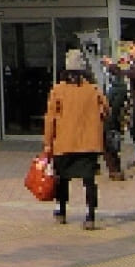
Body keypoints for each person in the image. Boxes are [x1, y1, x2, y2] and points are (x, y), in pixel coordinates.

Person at [42, 49, 110, 230]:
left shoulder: (58, 90)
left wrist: (48, 143)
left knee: (62, 178)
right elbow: (106, 110)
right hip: (89, 143)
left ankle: (62, 211)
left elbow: (50, 118)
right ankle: (90, 215)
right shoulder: (92, 89)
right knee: (89, 180)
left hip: (64, 143)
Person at [98, 55, 130, 181]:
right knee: (110, 144)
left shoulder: (117, 88)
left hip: (111, 119)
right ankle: (114, 169)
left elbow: (112, 105)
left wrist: (107, 113)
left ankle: (115, 170)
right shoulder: (118, 86)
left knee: (109, 144)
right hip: (114, 119)